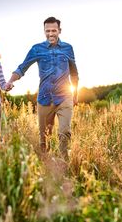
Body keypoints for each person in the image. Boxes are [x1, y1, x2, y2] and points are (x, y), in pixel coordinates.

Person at [6, 16, 79, 160]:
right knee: (44, 138)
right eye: (48, 31)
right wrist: (10, 81)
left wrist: (75, 95)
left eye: (54, 30)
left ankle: (64, 163)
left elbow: (74, 73)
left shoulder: (68, 48)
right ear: (44, 31)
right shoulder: (37, 49)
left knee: (64, 132)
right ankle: (46, 167)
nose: (51, 34)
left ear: (59, 31)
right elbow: (22, 68)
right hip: (45, 98)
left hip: (65, 97)